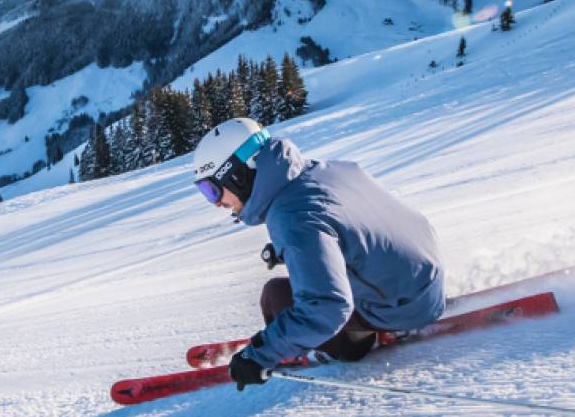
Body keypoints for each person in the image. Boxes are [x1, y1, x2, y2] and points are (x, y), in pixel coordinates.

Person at [189, 117, 446, 391]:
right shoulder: (322, 171)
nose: (216, 203)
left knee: (276, 297)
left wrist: (259, 356)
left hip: (404, 308)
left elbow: (326, 307)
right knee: (303, 278)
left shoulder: (292, 217)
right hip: (427, 276)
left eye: (211, 189)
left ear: (237, 174)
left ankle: (350, 344)